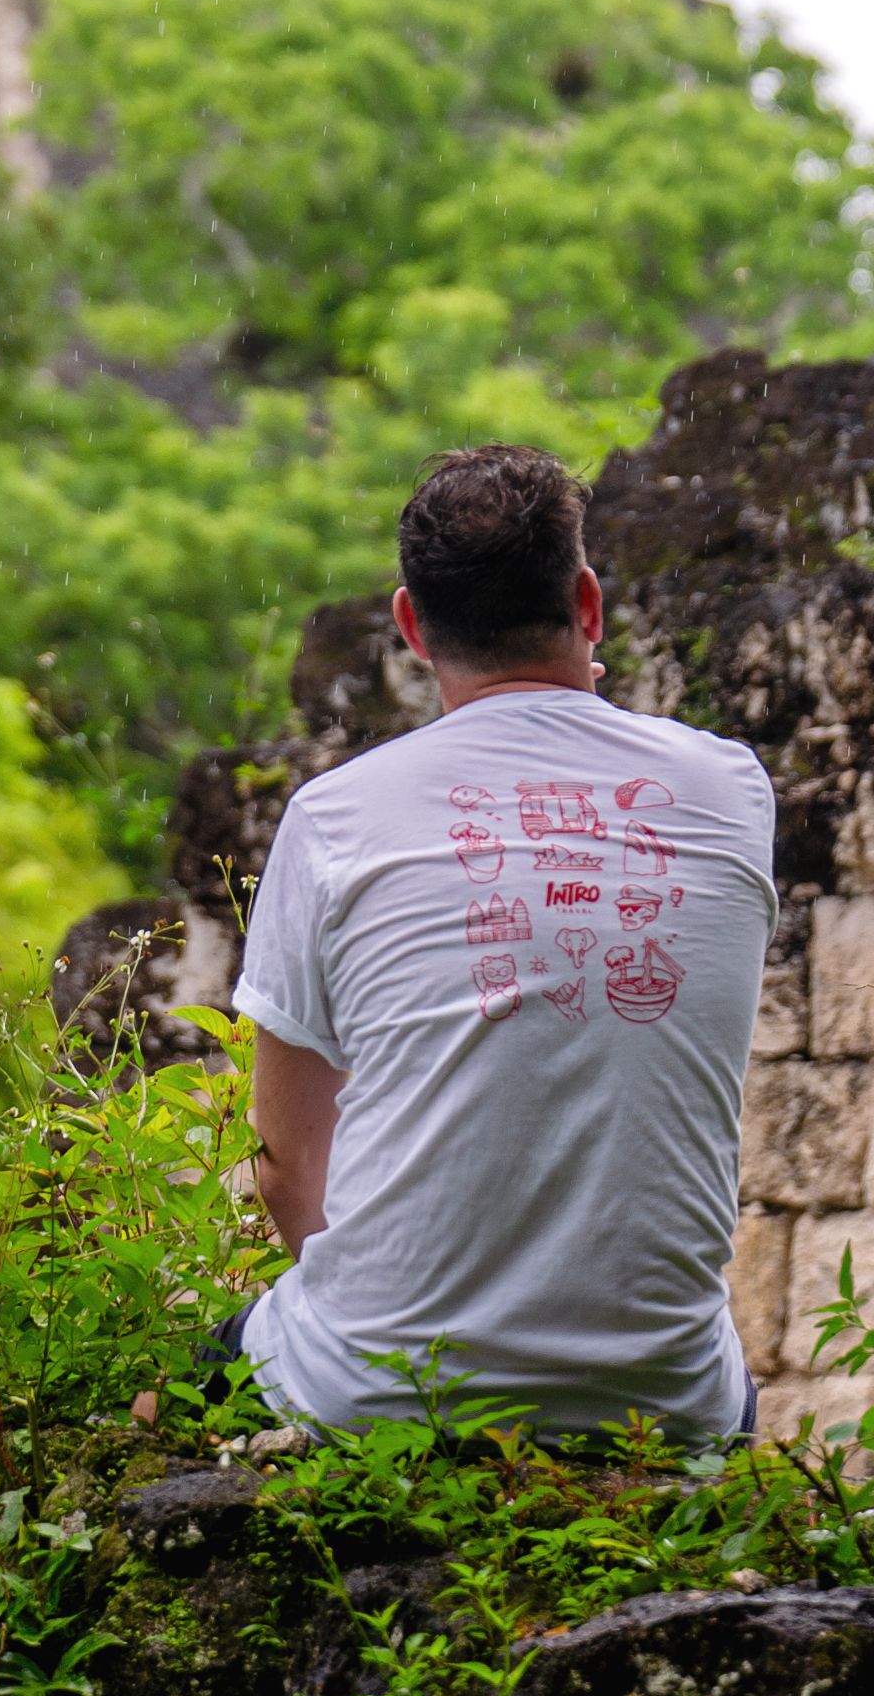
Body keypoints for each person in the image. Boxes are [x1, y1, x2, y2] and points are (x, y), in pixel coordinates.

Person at [232, 443, 775, 1441]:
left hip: (379, 1391)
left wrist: (384, 1324)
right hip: (666, 1402)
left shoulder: (336, 816)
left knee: (176, 1388)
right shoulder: (729, 786)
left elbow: (285, 1170)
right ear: (588, 603)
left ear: (411, 624)